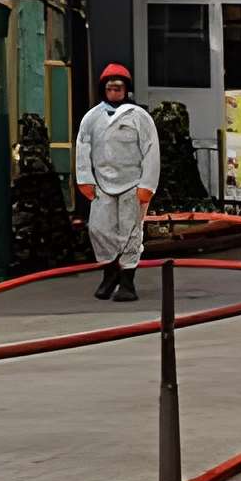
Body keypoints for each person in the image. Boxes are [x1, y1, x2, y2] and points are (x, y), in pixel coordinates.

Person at [75, 62, 160, 302]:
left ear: (126, 90)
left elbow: (151, 151)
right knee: (99, 229)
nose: (114, 92)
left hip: (132, 184)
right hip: (102, 184)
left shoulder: (139, 117)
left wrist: (147, 185)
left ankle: (127, 281)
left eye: (118, 88)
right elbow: (83, 148)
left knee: (131, 232)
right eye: (110, 88)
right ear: (104, 89)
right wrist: (85, 180)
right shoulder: (92, 118)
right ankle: (109, 273)